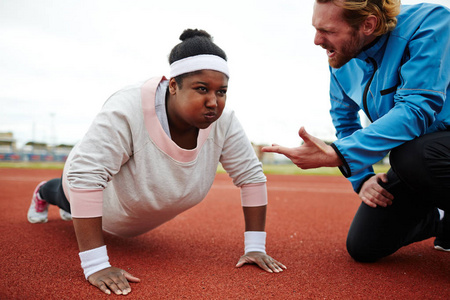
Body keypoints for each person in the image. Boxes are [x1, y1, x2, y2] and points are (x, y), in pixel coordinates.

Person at [27, 28, 286, 296]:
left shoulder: (224, 121)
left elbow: (251, 177)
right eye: (201, 89)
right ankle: (44, 191)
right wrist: (96, 265)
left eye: (221, 91)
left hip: (135, 216)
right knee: (65, 194)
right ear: (173, 85)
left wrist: (255, 246)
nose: (213, 102)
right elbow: (85, 176)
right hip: (100, 196)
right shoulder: (128, 107)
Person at [263, 0, 450, 263]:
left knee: (411, 155)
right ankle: (443, 221)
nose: (317, 40)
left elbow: (417, 110)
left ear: (368, 24)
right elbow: (345, 121)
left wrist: (337, 154)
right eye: (315, 29)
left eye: (327, 30)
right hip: (418, 157)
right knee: (365, 245)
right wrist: (362, 179)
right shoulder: (341, 58)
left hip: (433, 151)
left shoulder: (431, 22)